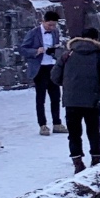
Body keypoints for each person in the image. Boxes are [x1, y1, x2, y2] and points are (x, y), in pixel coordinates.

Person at [53, 25, 100, 171]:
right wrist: (98, 87)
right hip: (92, 100)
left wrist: (68, 86)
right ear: (96, 39)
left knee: (74, 133)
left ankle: (78, 163)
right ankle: (96, 159)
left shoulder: (68, 54)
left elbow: (55, 76)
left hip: (71, 100)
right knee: (93, 131)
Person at [21, 7, 65, 137]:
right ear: (43, 21)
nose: (51, 27)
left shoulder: (55, 32)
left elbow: (57, 47)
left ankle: (57, 123)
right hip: (39, 68)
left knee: (56, 96)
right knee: (41, 98)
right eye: (49, 24)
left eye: (54, 25)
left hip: (52, 66)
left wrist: (55, 51)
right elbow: (23, 49)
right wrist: (36, 51)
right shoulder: (33, 33)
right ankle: (43, 125)